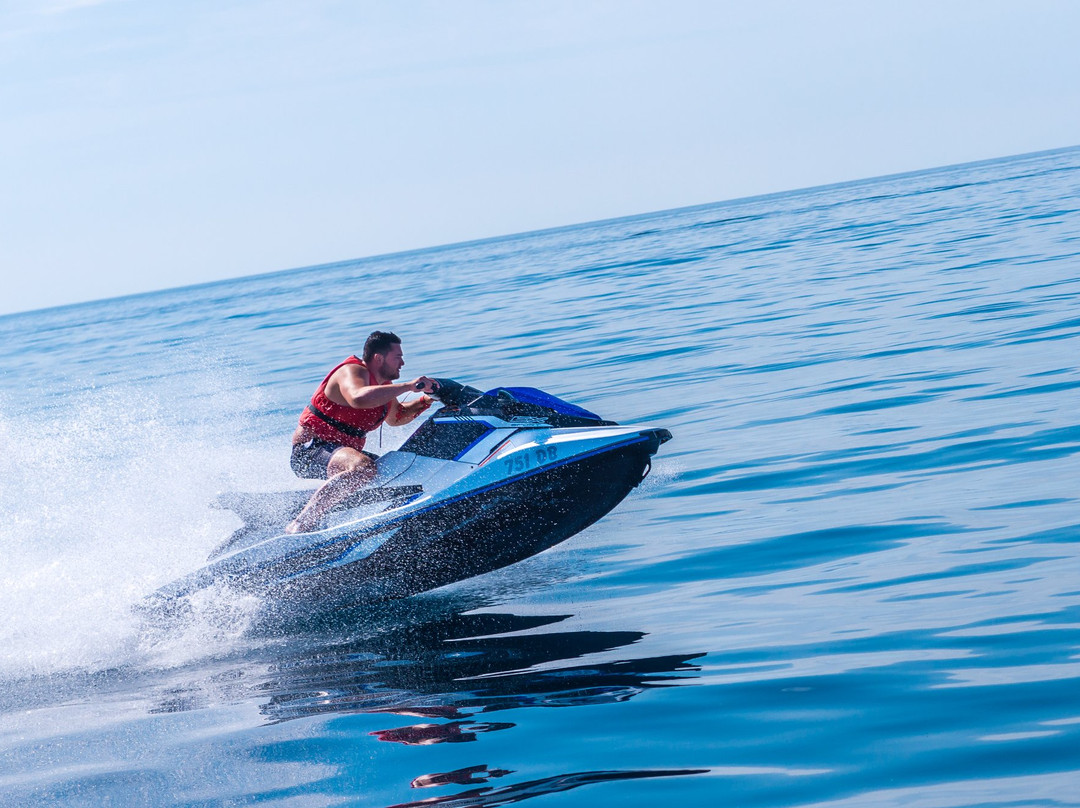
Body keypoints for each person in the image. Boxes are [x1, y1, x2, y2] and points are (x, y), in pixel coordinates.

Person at [286, 331, 438, 534]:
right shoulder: (351, 372)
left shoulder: (383, 386)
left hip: (338, 453)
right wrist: (409, 385)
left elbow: (397, 417)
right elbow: (357, 398)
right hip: (310, 450)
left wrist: (428, 400)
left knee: (396, 470)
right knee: (363, 468)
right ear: (379, 358)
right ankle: (300, 524)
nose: (402, 363)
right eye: (398, 357)